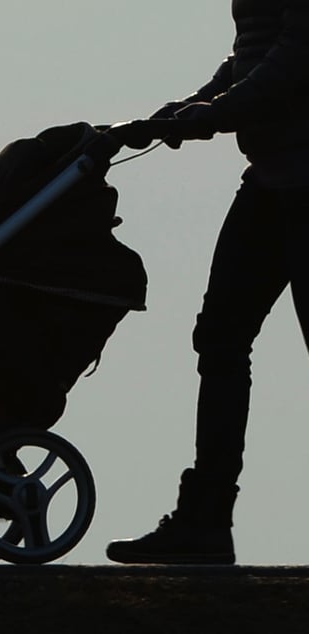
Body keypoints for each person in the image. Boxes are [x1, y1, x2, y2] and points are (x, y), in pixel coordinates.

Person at [107, 0, 309, 564]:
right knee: (220, 337)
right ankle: (206, 519)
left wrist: (212, 113)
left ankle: (206, 517)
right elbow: (252, 55)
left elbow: (294, 60)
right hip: (273, 177)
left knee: (225, 339)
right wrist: (194, 105)